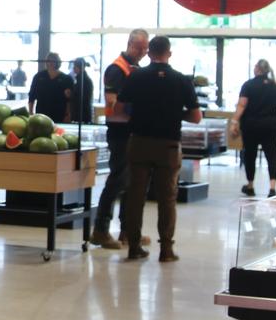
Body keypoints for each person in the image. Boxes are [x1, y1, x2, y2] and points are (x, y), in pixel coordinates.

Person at [116, 36, 203, 262]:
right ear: (169, 53)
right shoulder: (181, 80)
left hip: (139, 142)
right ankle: (166, 249)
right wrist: (175, 113)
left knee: (136, 196)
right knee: (167, 198)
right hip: (169, 146)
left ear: (149, 53)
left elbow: (118, 109)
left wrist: (137, 115)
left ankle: (134, 246)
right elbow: (196, 117)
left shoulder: (136, 76)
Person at [91, 28, 150, 250]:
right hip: (119, 132)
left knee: (133, 183)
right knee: (117, 180)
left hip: (134, 132)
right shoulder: (116, 69)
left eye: (146, 48)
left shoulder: (136, 69)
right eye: (140, 48)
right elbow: (112, 103)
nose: (143, 52)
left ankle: (128, 230)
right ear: (129, 44)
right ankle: (100, 229)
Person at [232, 59, 276, 198]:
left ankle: (250, 186)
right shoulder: (275, 86)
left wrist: (234, 121)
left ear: (257, 69)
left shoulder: (248, 85)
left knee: (250, 155)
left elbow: (242, 105)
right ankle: (272, 188)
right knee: (272, 156)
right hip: (270, 126)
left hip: (251, 126)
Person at [28, 52, 72, 122]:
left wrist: (68, 114)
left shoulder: (66, 78)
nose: (51, 63)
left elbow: (69, 100)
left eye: (53, 60)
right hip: (41, 113)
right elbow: (31, 95)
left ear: (58, 62)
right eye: (49, 60)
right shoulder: (38, 76)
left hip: (59, 113)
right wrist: (30, 112)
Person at [68, 58, 95, 123]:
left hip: (82, 115)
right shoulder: (81, 79)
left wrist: (71, 95)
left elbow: (82, 98)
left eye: (75, 66)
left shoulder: (84, 81)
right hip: (82, 114)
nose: (73, 68)